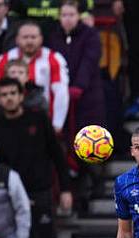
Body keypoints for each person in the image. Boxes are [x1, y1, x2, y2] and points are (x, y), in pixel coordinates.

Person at [0, 77, 71, 238]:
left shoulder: (39, 119)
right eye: (4, 95)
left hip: (40, 192)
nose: (9, 98)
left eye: (13, 93)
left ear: (21, 96)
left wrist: (65, 189)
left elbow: (57, 155)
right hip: (8, 196)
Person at [0, 20, 69, 133]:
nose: (29, 41)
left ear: (41, 39)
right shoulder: (3, 60)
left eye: (33, 37)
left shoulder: (54, 59)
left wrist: (57, 124)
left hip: (43, 122)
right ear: (17, 39)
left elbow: (61, 93)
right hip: (7, 124)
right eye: (25, 37)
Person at [46, 1, 105, 138]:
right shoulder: (53, 36)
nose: (68, 19)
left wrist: (79, 85)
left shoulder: (90, 34)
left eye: (71, 14)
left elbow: (89, 61)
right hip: (60, 92)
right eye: (64, 15)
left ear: (78, 16)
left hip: (88, 91)